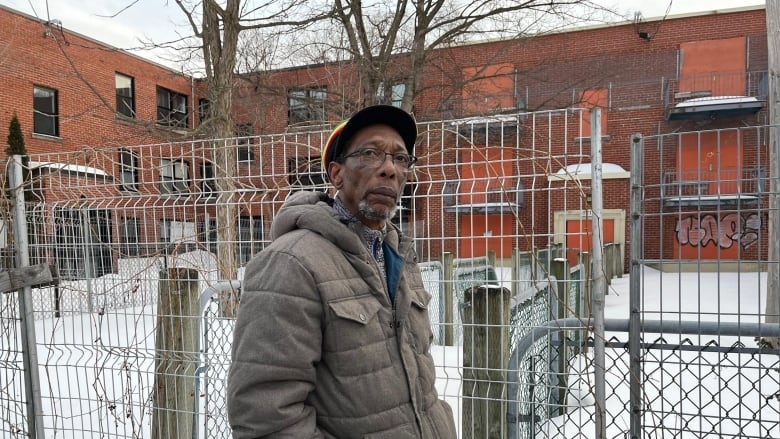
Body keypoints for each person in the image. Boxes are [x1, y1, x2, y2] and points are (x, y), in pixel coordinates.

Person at [227, 105, 457, 438]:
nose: (389, 169)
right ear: (336, 174)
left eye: (401, 158)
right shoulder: (291, 263)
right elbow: (267, 417)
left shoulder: (398, 255)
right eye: (370, 153)